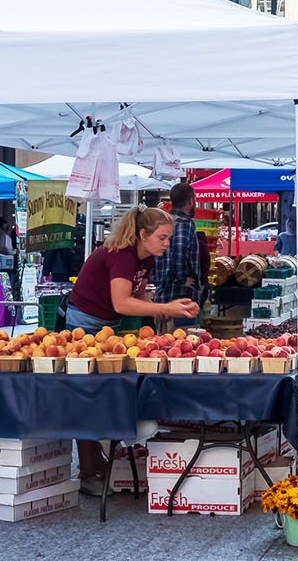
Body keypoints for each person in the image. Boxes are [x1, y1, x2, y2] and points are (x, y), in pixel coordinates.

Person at [70, 206, 199, 496]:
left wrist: (163, 310)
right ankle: (88, 470)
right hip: (85, 323)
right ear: (143, 235)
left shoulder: (145, 258)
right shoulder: (122, 255)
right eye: (163, 237)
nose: (167, 243)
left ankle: (99, 462)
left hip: (104, 325)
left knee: (98, 393)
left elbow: (137, 293)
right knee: (87, 395)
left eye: (168, 238)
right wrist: (165, 307)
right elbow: (122, 303)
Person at [151, 182, 202, 325]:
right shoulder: (185, 223)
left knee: (162, 342)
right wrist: (182, 279)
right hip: (180, 297)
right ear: (191, 200)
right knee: (182, 341)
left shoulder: (164, 222)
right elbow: (179, 252)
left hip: (162, 294)